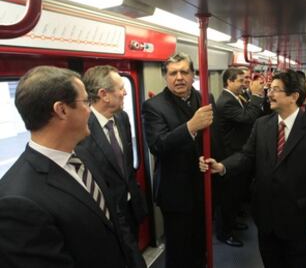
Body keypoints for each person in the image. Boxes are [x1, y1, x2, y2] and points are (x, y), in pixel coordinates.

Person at [200, 70, 306, 268]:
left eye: (275, 90)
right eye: (270, 89)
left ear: (294, 96)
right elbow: (247, 156)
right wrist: (223, 166)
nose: (269, 94)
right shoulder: (262, 125)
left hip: (299, 221)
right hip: (266, 218)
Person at [0, 66, 130, 268]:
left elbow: (112, 220)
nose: (91, 109)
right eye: (86, 101)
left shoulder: (83, 156)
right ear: (61, 110)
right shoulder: (17, 201)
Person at [142, 52, 221, 268]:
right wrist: (190, 127)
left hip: (203, 187)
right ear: (165, 77)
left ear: (193, 75)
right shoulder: (154, 107)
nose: (179, 77)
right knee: (179, 253)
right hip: (175, 193)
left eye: (184, 72)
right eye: (173, 73)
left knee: (202, 245)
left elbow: (214, 138)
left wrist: (211, 159)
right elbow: (158, 145)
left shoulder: (206, 99)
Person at [76, 65, 147, 268]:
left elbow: (127, 165)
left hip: (130, 206)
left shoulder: (123, 118)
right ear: (104, 95)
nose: (125, 92)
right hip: (107, 215)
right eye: (121, 88)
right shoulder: (82, 129)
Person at [214, 67, 265, 247]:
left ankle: (232, 222)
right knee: (227, 198)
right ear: (229, 81)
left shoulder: (237, 98)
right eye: (240, 80)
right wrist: (257, 96)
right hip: (229, 155)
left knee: (235, 196)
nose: (244, 83)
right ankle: (224, 233)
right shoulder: (226, 101)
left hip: (238, 152)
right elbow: (247, 118)